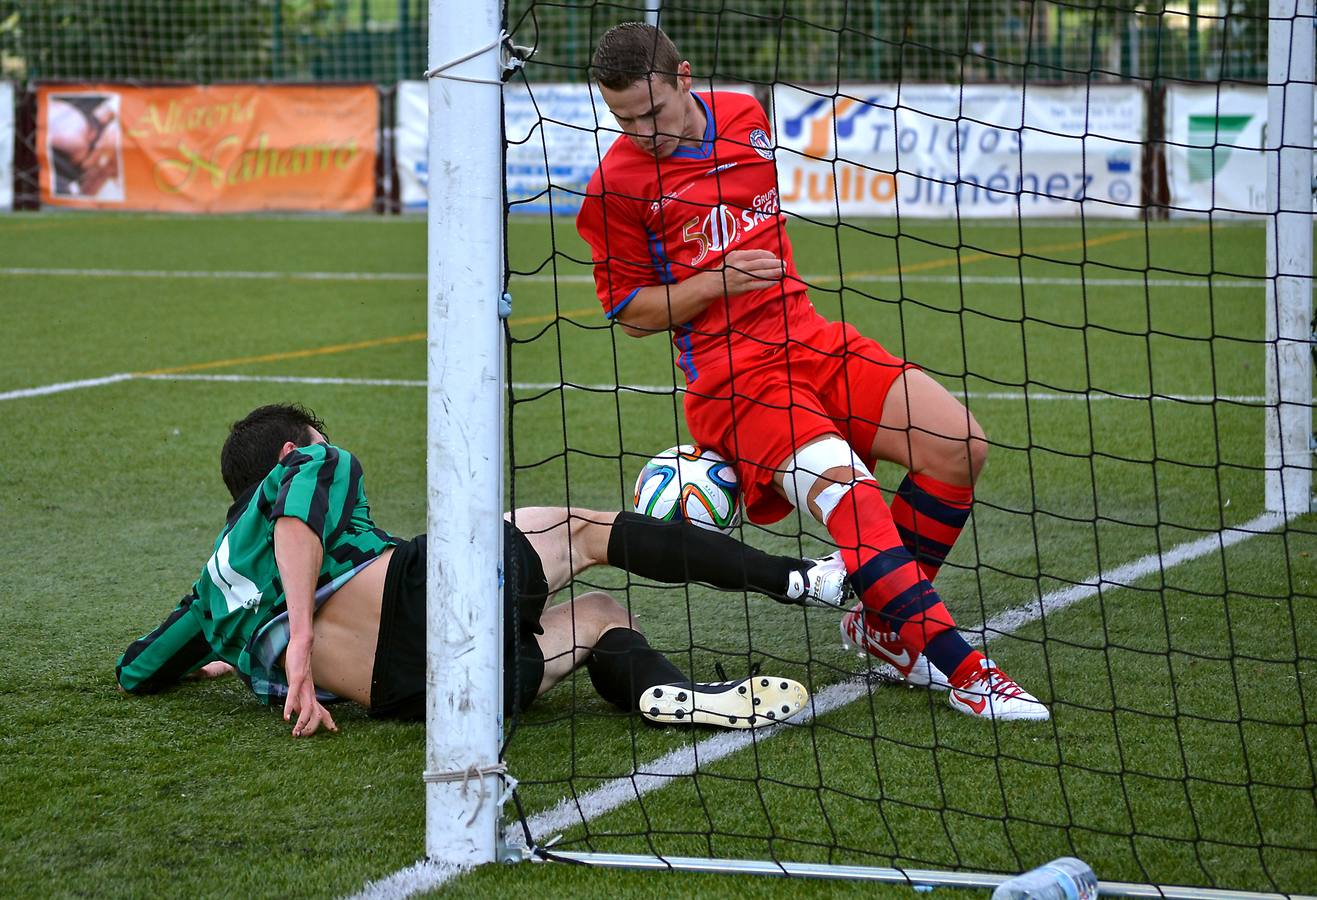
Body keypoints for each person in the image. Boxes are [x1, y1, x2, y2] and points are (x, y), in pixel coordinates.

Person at [575, 23, 1048, 721]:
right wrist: (715, 282)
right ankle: (967, 673)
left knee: (957, 446)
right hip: (735, 382)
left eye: (653, 111)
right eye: (623, 119)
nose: (642, 131)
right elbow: (630, 311)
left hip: (811, 339)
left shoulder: (744, 115)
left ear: (684, 77)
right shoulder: (614, 186)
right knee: (854, 505)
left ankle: (885, 629)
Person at [116, 404, 850, 736]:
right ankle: (798, 579)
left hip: (428, 695)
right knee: (584, 530)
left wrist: (236, 659)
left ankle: (672, 692)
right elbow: (308, 497)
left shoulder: (206, 600)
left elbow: (138, 671)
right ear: (284, 458)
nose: (322, 451)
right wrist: (300, 640)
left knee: (600, 617)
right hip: (428, 598)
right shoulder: (304, 467)